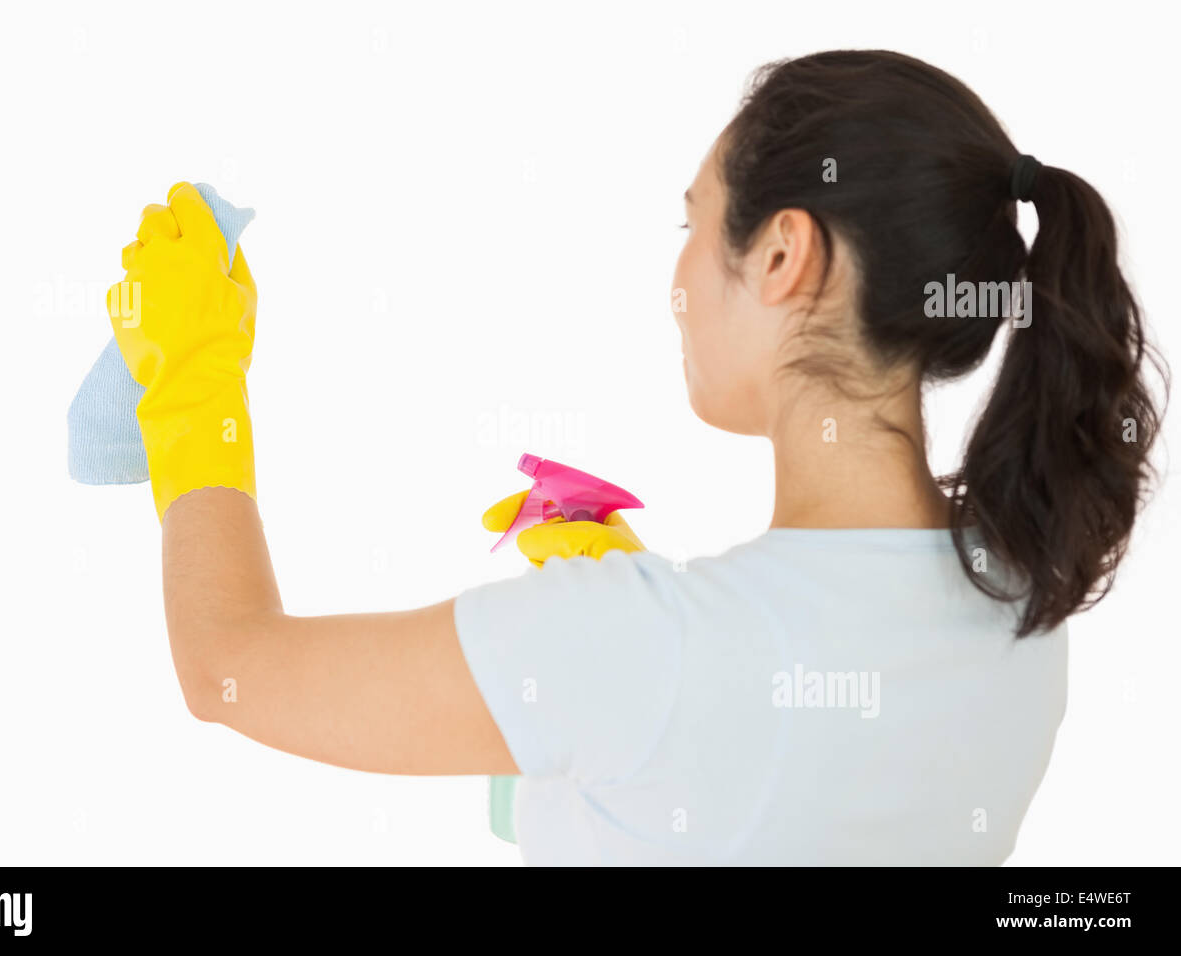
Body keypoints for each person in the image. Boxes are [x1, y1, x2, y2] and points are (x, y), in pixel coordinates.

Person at [108, 50, 1166, 865]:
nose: (679, 268)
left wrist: (197, 390)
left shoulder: (637, 647)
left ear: (785, 253)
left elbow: (228, 668)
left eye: (695, 219)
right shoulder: (1025, 605)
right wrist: (588, 689)